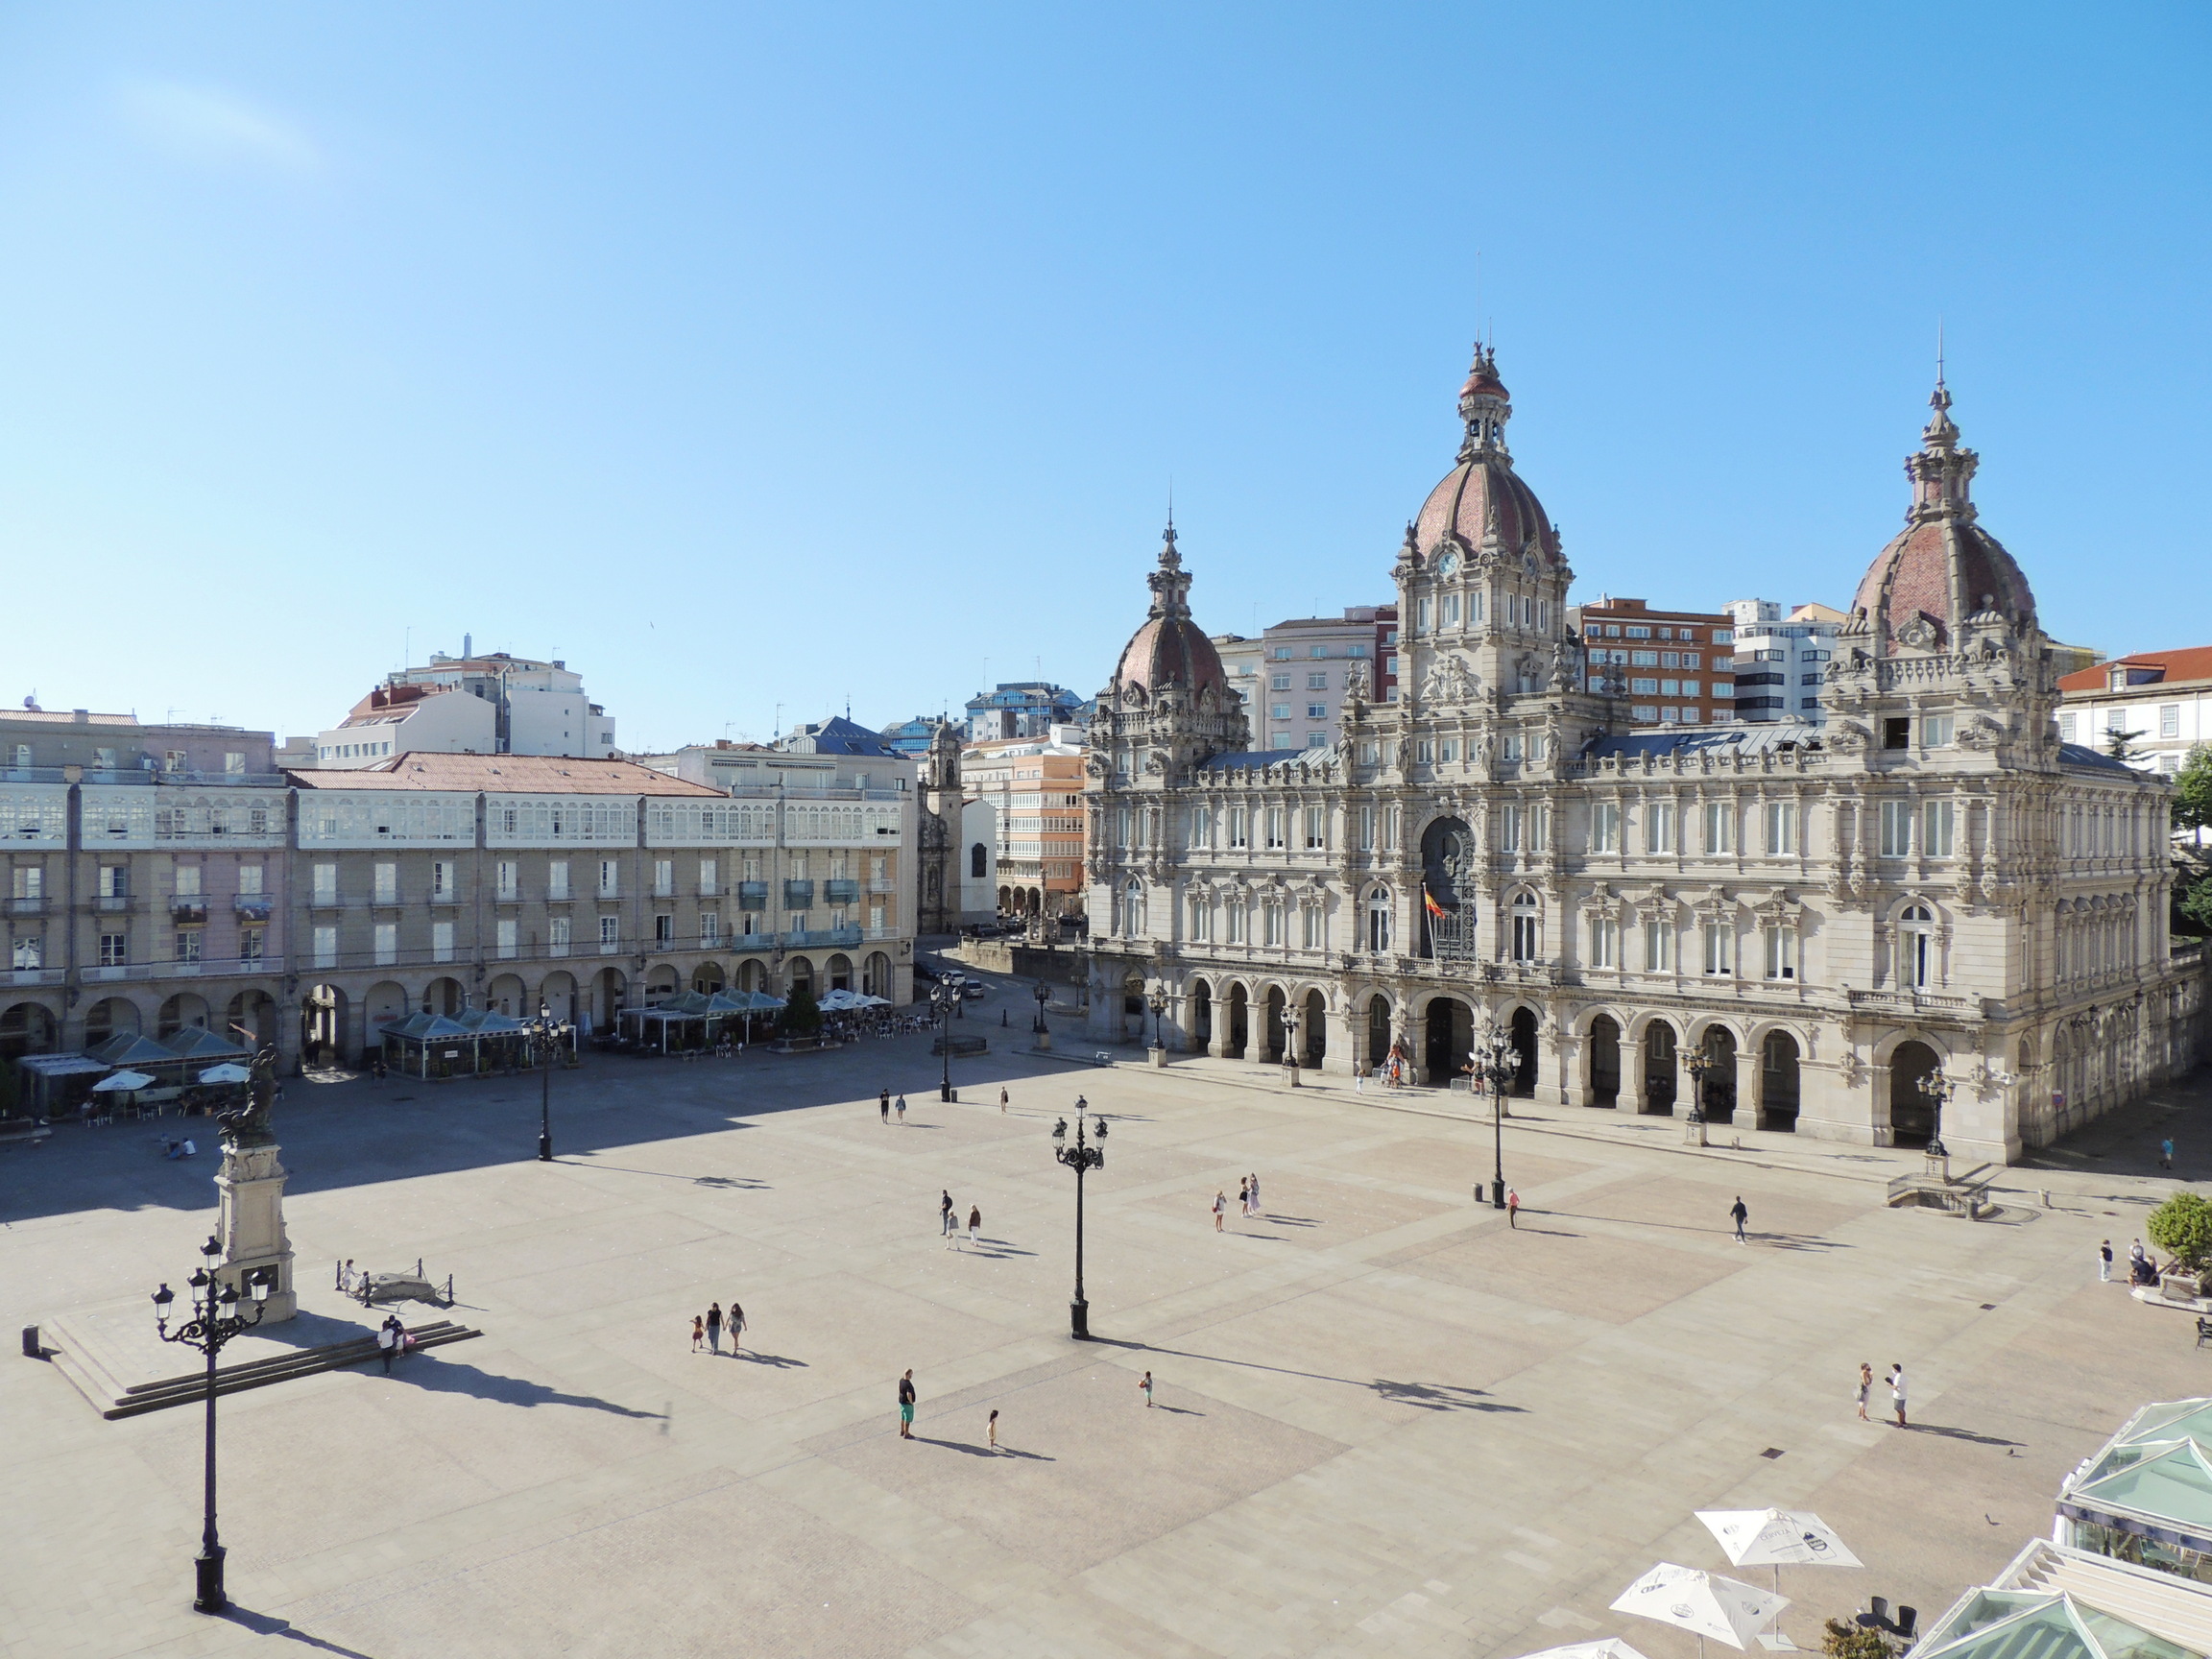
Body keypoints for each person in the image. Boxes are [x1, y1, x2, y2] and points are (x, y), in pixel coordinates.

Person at [1887, 1363, 1908, 1428]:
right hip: (1904, 1395)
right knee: (1902, 1409)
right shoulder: (1903, 1376)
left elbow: (1895, 1387)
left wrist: (1890, 1385)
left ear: (1895, 1370)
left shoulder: (1897, 1377)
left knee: (1898, 1409)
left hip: (1898, 1396)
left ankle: (1900, 1422)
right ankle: (1903, 1420)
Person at [898, 1369, 916, 1439]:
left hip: (901, 1401)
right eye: (911, 1374)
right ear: (908, 1375)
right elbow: (909, 1394)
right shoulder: (908, 1384)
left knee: (903, 1417)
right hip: (907, 1403)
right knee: (907, 1419)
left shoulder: (901, 1380)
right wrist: (911, 1402)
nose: (911, 1375)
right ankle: (906, 1433)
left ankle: (902, 1431)